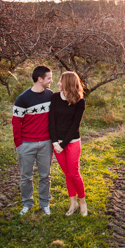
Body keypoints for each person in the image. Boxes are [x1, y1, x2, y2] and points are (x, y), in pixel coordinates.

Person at [12, 65, 54, 216]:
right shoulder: (22, 99)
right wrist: (19, 143)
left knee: (45, 176)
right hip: (26, 144)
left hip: (45, 143)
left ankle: (45, 204)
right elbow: (16, 122)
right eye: (49, 78)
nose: (51, 80)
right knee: (25, 177)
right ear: (40, 79)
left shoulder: (51, 96)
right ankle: (27, 204)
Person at [49, 71, 88, 216]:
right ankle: (73, 203)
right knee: (67, 173)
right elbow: (51, 121)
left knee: (74, 173)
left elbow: (74, 126)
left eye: (60, 80)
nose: (58, 83)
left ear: (68, 83)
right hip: (56, 142)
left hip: (71, 142)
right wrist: (54, 142)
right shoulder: (54, 97)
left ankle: (83, 202)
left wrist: (62, 144)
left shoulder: (80, 101)